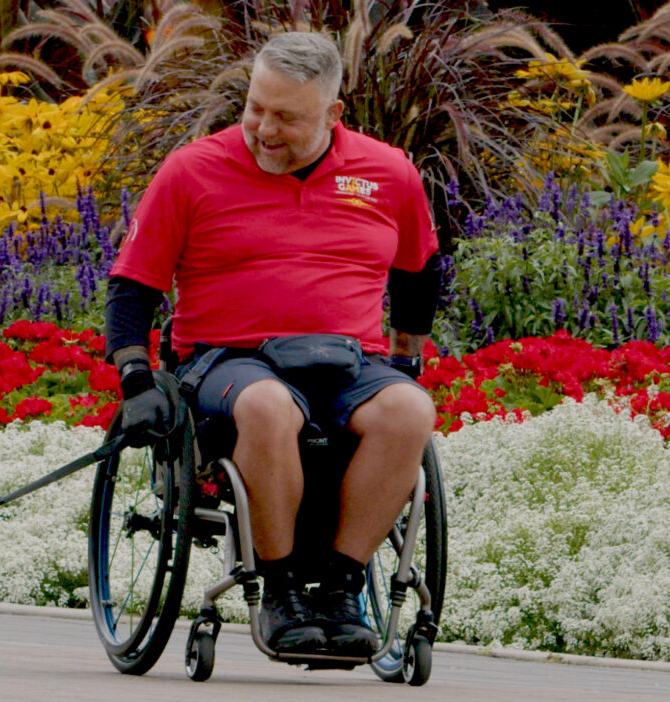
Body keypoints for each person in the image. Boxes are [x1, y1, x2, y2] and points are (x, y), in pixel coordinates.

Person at [104, 31, 441, 657]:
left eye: (286, 116)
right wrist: (135, 377)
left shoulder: (387, 172)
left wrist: (406, 358)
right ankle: (281, 590)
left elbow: (419, 274)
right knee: (266, 405)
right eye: (255, 106)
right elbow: (133, 285)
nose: (263, 127)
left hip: (348, 360)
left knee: (410, 410)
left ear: (333, 114)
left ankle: (340, 589)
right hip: (227, 360)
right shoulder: (192, 170)